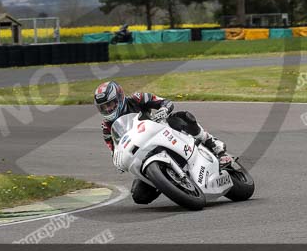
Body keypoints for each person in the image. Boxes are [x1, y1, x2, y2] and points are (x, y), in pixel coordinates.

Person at [93, 80, 229, 205]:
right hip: (141, 154)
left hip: (160, 131)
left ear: (119, 98)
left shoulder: (137, 98)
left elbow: (165, 102)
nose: (108, 109)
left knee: (182, 117)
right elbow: (113, 149)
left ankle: (215, 147)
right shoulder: (106, 127)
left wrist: (163, 110)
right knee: (139, 196)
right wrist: (118, 161)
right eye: (103, 107)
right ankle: (167, 182)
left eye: (110, 104)